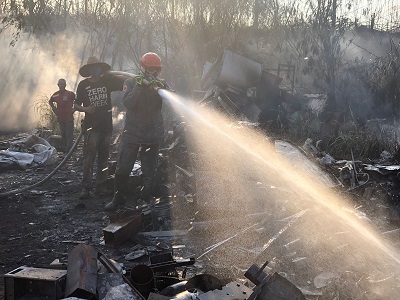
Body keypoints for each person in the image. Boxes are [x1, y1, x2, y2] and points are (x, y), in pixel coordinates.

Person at [105, 52, 169, 211]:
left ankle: (145, 199)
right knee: (123, 168)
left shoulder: (161, 84)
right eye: (151, 69)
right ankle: (118, 198)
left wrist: (163, 88)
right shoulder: (131, 83)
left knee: (149, 171)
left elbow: (171, 100)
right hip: (132, 133)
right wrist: (140, 87)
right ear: (143, 68)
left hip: (153, 134)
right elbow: (128, 103)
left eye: (157, 70)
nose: (154, 73)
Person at [74, 56, 124, 199]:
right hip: (92, 128)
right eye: (93, 67)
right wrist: (87, 109)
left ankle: (101, 187)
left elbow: (124, 82)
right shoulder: (83, 85)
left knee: (104, 158)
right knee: (89, 158)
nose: (95, 69)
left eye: (98, 67)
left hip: (106, 127)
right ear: (89, 70)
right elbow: (75, 105)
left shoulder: (107, 81)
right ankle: (86, 188)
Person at [48, 79, 75, 154]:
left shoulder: (70, 94)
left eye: (63, 84)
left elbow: (77, 101)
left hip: (69, 118)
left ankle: (69, 151)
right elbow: (50, 101)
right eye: (60, 84)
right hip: (61, 118)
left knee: (69, 135)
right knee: (63, 135)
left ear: (66, 85)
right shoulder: (56, 94)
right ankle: (64, 149)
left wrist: (74, 109)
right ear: (58, 85)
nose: (62, 85)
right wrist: (54, 109)